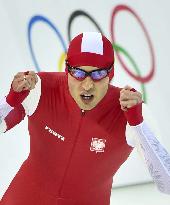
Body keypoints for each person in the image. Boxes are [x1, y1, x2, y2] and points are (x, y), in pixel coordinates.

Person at [0, 31, 170, 205]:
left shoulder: (132, 110)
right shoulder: (40, 88)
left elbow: (167, 184)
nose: (87, 85)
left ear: (110, 74)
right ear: (67, 70)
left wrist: (138, 125)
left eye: (98, 74)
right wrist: (9, 101)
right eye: (79, 73)